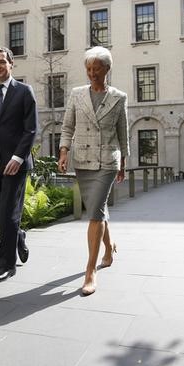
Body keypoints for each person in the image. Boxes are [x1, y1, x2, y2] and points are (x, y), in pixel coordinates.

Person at [57, 46, 129, 295]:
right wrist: (64, 151)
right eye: (88, 69)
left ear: (107, 69)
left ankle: (90, 271)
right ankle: (109, 249)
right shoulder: (77, 95)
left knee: (95, 214)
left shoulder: (119, 97)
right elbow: (68, 126)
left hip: (109, 161)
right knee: (99, 210)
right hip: (83, 160)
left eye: (96, 69)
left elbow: (123, 133)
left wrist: (124, 163)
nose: (91, 73)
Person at [0, 46, 38, 284]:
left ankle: (6, 265)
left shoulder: (24, 92)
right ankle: (19, 236)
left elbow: (31, 129)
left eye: (2, 62)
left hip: (16, 164)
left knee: (8, 213)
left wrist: (18, 157)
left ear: (11, 64)